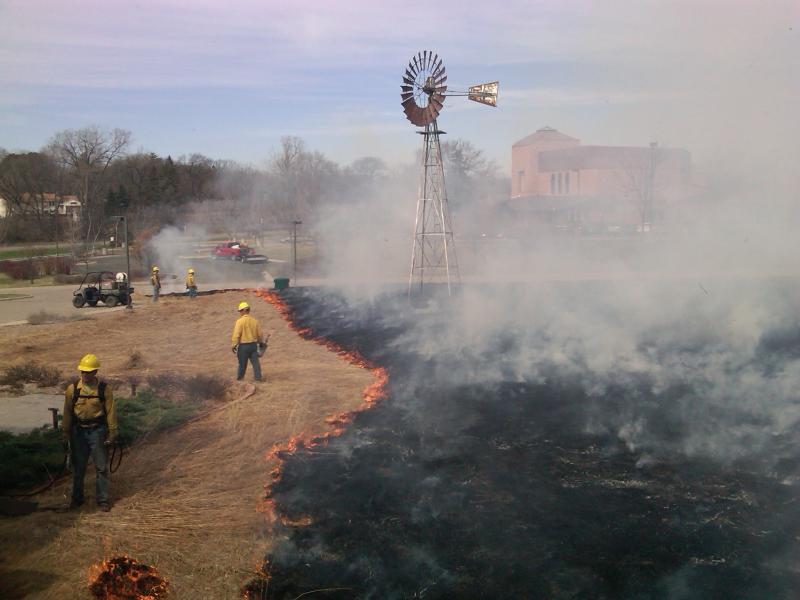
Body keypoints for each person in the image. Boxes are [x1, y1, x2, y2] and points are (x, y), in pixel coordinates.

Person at [62, 354, 118, 512]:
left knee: (101, 467)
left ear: (95, 372)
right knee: (78, 468)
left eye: (88, 372)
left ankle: (103, 500)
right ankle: (77, 499)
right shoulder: (72, 389)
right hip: (78, 432)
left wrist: (113, 432)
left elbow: (111, 412)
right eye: (83, 372)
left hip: (97, 431)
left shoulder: (104, 390)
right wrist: (65, 432)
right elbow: (67, 412)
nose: (85, 375)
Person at [231, 301, 267, 381]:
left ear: (244, 310)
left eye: (240, 311)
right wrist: (261, 342)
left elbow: (236, 335)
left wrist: (233, 345)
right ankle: (258, 379)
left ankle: (240, 380)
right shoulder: (255, 321)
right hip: (253, 346)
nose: (240, 312)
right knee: (256, 363)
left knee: (242, 364)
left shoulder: (239, 322)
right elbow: (259, 335)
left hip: (243, 347)